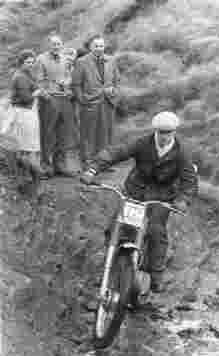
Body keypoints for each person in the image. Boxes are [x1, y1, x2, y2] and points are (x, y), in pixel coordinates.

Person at [81, 111, 199, 292]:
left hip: (161, 197)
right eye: (161, 133)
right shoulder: (143, 143)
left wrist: (183, 200)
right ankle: (109, 266)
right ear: (155, 131)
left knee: (155, 231)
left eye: (168, 133)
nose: (164, 137)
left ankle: (156, 275)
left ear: (174, 133)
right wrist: (93, 169)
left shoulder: (182, 153)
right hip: (135, 191)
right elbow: (117, 152)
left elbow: (189, 180)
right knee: (117, 226)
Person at [72, 33, 120, 168]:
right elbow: (76, 85)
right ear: (90, 47)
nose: (99, 48)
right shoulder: (82, 62)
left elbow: (116, 80)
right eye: (96, 46)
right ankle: (87, 162)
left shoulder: (111, 60)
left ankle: (103, 162)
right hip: (89, 103)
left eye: (101, 46)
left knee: (106, 133)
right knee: (88, 134)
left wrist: (114, 92)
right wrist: (82, 101)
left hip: (108, 102)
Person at [36, 33, 80, 177]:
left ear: (62, 45)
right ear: (48, 45)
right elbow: (38, 80)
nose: (56, 46)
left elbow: (69, 77)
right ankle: (46, 167)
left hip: (65, 100)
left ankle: (60, 165)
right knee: (48, 133)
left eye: (58, 44)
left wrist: (69, 90)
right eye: (53, 44)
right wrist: (45, 94)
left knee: (64, 133)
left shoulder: (66, 59)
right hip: (49, 99)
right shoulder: (41, 59)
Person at [9, 49, 44, 190]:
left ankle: (25, 175)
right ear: (21, 63)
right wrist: (37, 93)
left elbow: (34, 87)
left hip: (28, 111)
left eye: (32, 62)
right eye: (27, 62)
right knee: (28, 145)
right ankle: (33, 175)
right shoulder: (20, 77)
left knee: (26, 145)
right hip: (24, 112)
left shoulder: (26, 74)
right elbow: (26, 98)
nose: (30, 64)